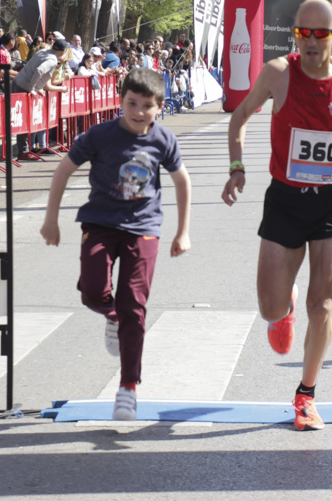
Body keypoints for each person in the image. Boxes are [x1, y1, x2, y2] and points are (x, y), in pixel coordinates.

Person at [220, 0, 332, 431]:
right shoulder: (279, 74)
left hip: (331, 202)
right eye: (305, 32)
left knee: (324, 304)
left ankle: (306, 396)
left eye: (322, 34)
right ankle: (284, 309)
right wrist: (236, 167)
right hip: (284, 198)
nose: (313, 41)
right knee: (269, 307)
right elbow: (239, 117)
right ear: (295, 33)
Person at [40, 67, 192, 421]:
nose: (138, 112)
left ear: (159, 107)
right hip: (101, 222)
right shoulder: (100, 135)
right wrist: (51, 219)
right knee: (93, 291)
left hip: (144, 227)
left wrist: (183, 231)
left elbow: (182, 181)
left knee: (134, 304)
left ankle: (128, 387)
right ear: (120, 100)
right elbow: (63, 169)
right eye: (131, 103)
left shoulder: (163, 141)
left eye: (147, 106)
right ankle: (111, 315)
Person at [13, 38, 68, 156]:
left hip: (19, 82)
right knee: (24, 119)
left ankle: (25, 150)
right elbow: (39, 70)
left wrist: (39, 88)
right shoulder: (52, 60)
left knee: (23, 119)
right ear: (63, 52)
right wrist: (32, 88)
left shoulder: (43, 52)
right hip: (23, 87)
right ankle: (23, 152)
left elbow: (34, 68)